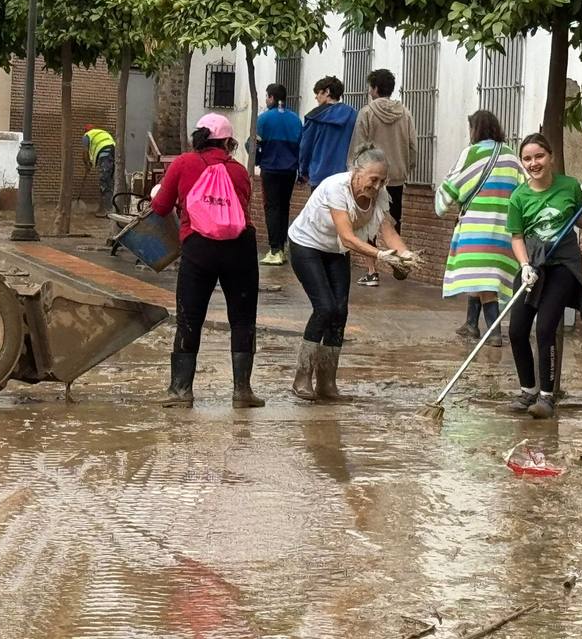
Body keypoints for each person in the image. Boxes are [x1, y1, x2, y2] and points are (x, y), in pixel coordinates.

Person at [150, 113, 263, 409]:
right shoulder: (238, 171)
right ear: (227, 142)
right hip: (240, 249)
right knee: (242, 319)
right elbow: (243, 204)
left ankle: (181, 391)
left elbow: (160, 208)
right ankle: (242, 392)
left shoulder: (183, 163)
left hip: (198, 248)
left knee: (190, 317)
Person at [287, 148, 417, 401]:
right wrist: (380, 256)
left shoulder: (379, 196)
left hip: (336, 249)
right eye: (373, 179)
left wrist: (407, 256)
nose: (377, 185)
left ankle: (327, 383)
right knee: (324, 307)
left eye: (382, 180)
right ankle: (302, 377)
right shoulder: (336, 188)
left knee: (340, 311)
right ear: (357, 173)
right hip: (306, 245)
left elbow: (388, 231)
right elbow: (347, 236)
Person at [506, 132, 582, 419]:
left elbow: (580, 220)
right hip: (533, 266)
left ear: (551, 158)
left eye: (539, 156)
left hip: (562, 267)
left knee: (546, 328)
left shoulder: (569, 187)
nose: (533, 163)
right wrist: (524, 266)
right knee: (516, 329)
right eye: (527, 158)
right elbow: (517, 236)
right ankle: (528, 390)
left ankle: (547, 397)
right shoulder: (518, 197)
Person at [435, 110, 523, 347]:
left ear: (476, 130)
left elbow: (451, 185)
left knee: (484, 279)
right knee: (484, 275)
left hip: (476, 229)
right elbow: (523, 189)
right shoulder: (512, 157)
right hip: (505, 230)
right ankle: (471, 324)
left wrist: (441, 203)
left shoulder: (471, 154)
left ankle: (494, 332)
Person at [348, 69, 417, 286]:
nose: (369, 92)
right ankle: (398, 261)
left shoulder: (367, 113)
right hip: (396, 177)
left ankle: (371, 271)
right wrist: (407, 167)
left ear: (375, 88)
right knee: (393, 221)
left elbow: (359, 147)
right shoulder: (405, 113)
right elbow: (413, 145)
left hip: (370, 178)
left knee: (369, 222)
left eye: (370, 87)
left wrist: (354, 172)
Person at [256, 83, 303, 266]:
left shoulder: (264, 119)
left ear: (272, 98)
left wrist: (258, 160)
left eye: (267, 96)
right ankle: (281, 248)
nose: (266, 100)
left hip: (270, 169)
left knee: (272, 208)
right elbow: (301, 145)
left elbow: (254, 144)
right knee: (284, 208)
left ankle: (275, 249)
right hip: (290, 170)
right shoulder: (295, 119)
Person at [298, 76, 357, 191]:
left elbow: (305, 148)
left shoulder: (314, 117)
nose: (316, 97)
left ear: (327, 92)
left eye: (318, 93)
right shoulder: (353, 115)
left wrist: (303, 171)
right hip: (344, 176)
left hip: (319, 176)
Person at [83, 124, 117, 218]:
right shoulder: (101, 133)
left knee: (104, 182)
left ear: (85, 131)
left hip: (105, 155)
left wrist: (86, 164)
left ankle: (106, 211)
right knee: (109, 182)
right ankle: (108, 209)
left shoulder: (87, 136)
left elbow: (85, 152)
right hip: (113, 153)